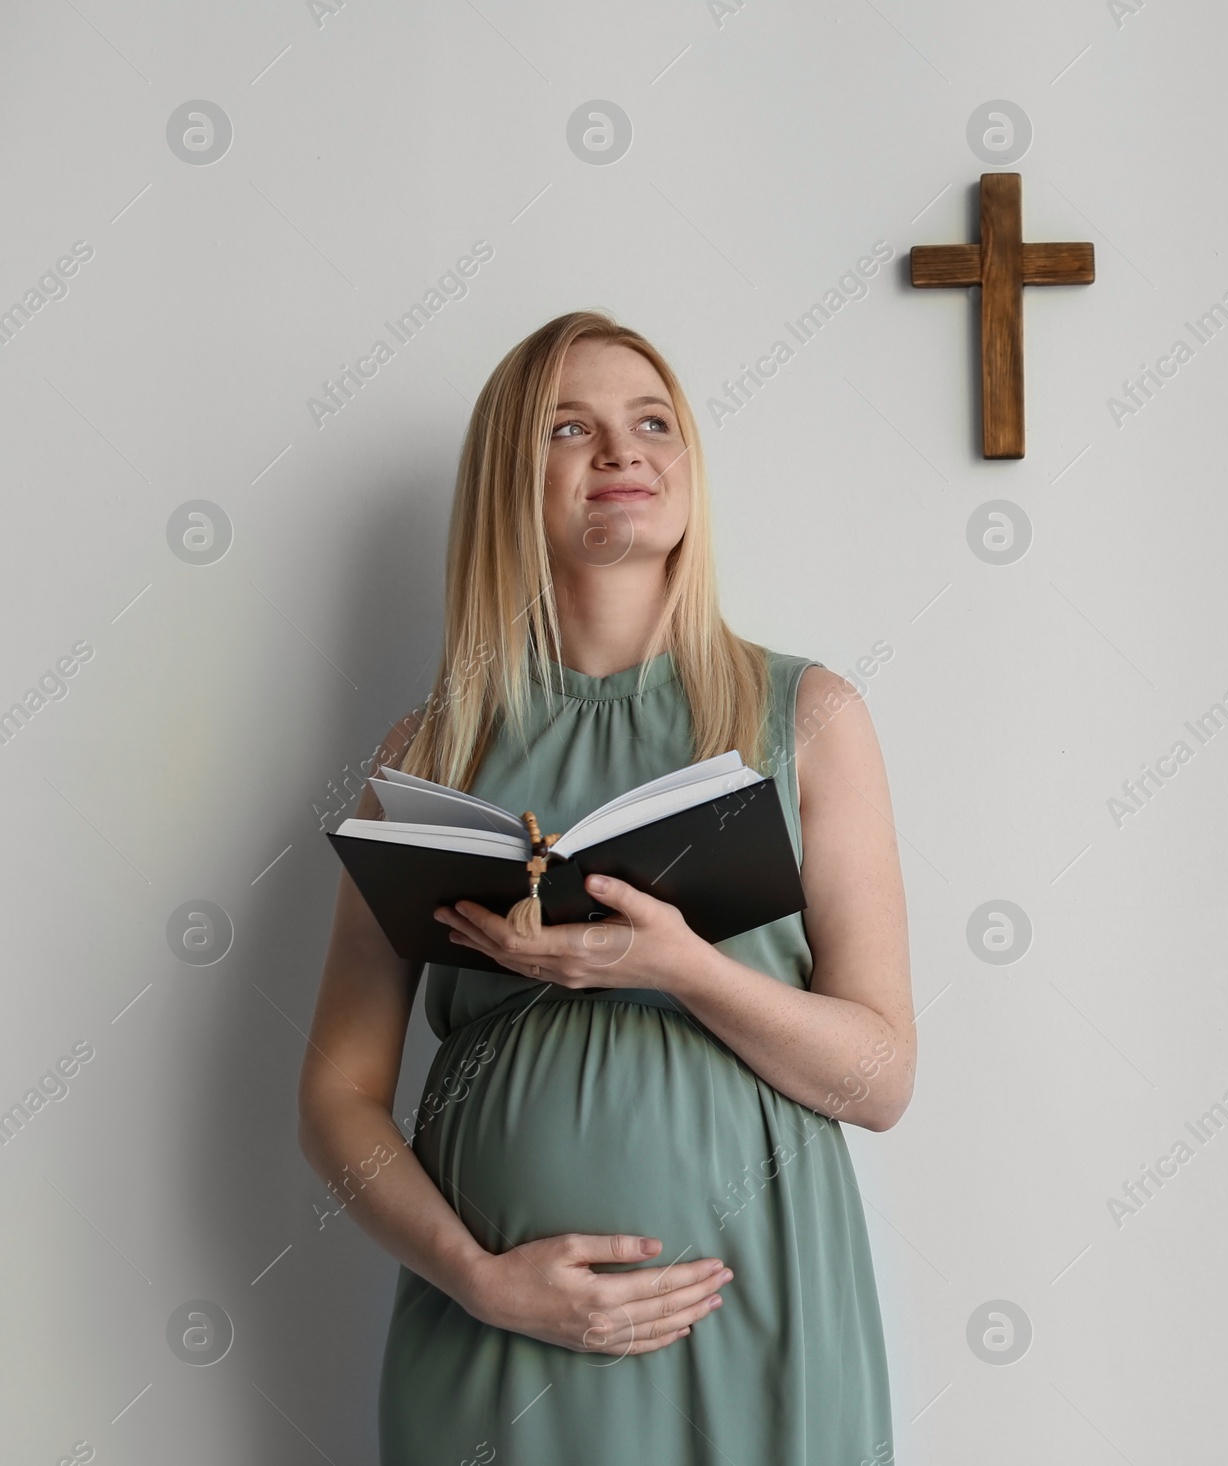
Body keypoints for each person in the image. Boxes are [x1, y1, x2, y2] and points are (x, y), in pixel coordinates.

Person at [297, 309, 915, 1466]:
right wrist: (480, 1279)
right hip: (496, 1332)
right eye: (568, 426)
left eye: (652, 423)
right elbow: (334, 1096)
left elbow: (881, 1078)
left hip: (757, 1312)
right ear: (504, 484)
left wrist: (678, 964)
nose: (621, 452)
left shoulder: (805, 716)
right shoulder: (430, 751)